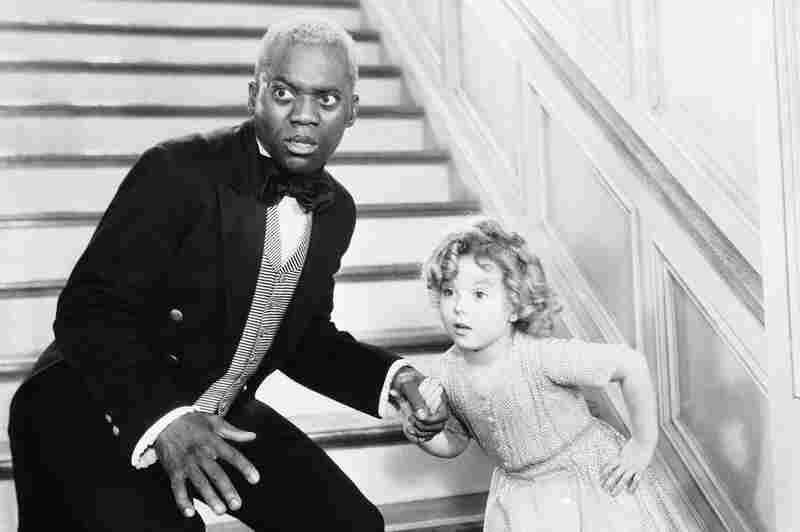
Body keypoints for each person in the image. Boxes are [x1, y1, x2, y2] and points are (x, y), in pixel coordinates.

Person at [9, 17, 445, 531]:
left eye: (327, 99)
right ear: (254, 94)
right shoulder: (179, 170)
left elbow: (304, 339)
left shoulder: (336, 211)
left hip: (216, 405)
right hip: (96, 401)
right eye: (284, 92)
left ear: (352, 109)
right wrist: (167, 420)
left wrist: (392, 379)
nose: (304, 116)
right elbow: (88, 312)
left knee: (352, 526)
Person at [397, 219, 685, 531]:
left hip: (586, 483)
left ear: (515, 305)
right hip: (520, 498)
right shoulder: (447, 372)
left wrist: (642, 444)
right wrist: (423, 434)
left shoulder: (541, 356)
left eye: (478, 294)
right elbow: (455, 441)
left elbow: (631, 364)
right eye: (449, 291)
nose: (459, 307)